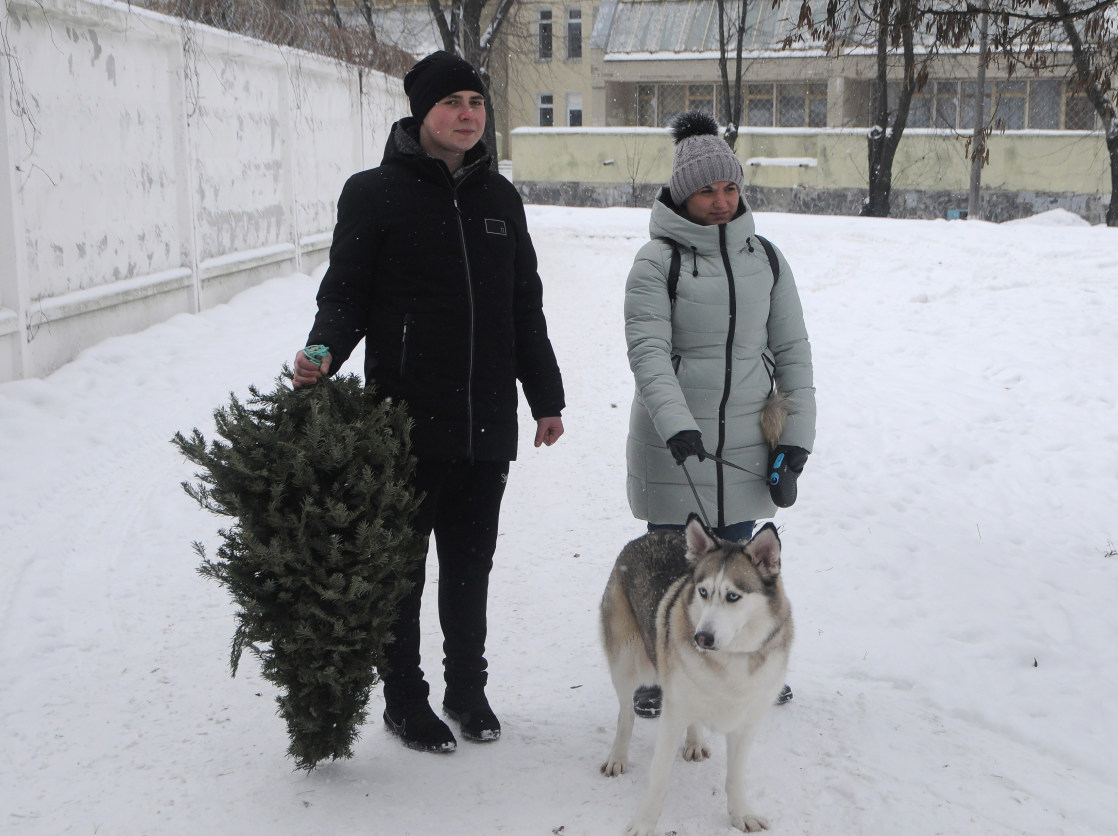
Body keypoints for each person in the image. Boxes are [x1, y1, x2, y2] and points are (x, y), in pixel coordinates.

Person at [291, 51, 566, 754]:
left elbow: (523, 305)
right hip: (404, 419)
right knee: (403, 569)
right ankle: (404, 697)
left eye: (476, 102)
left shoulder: (500, 199)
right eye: (452, 103)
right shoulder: (374, 193)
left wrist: (545, 395)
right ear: (421, 112)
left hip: (484, 420)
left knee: (471, 565)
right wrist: (322, 353)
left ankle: (466, 690)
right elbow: (345, 292)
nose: (467, 114)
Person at [622, 111, 816, 716]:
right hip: (676, 441)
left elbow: (793, 351)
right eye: (707, 189)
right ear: (684, 193)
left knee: (735, 571)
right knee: (676, 568)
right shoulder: (657, 262)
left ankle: (736, 665)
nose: (721, 200)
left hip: (747, 443)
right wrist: (677, 422)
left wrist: (797, 441)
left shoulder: (766, 258)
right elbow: (648, 351)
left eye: (730, 187)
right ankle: (659, 671)